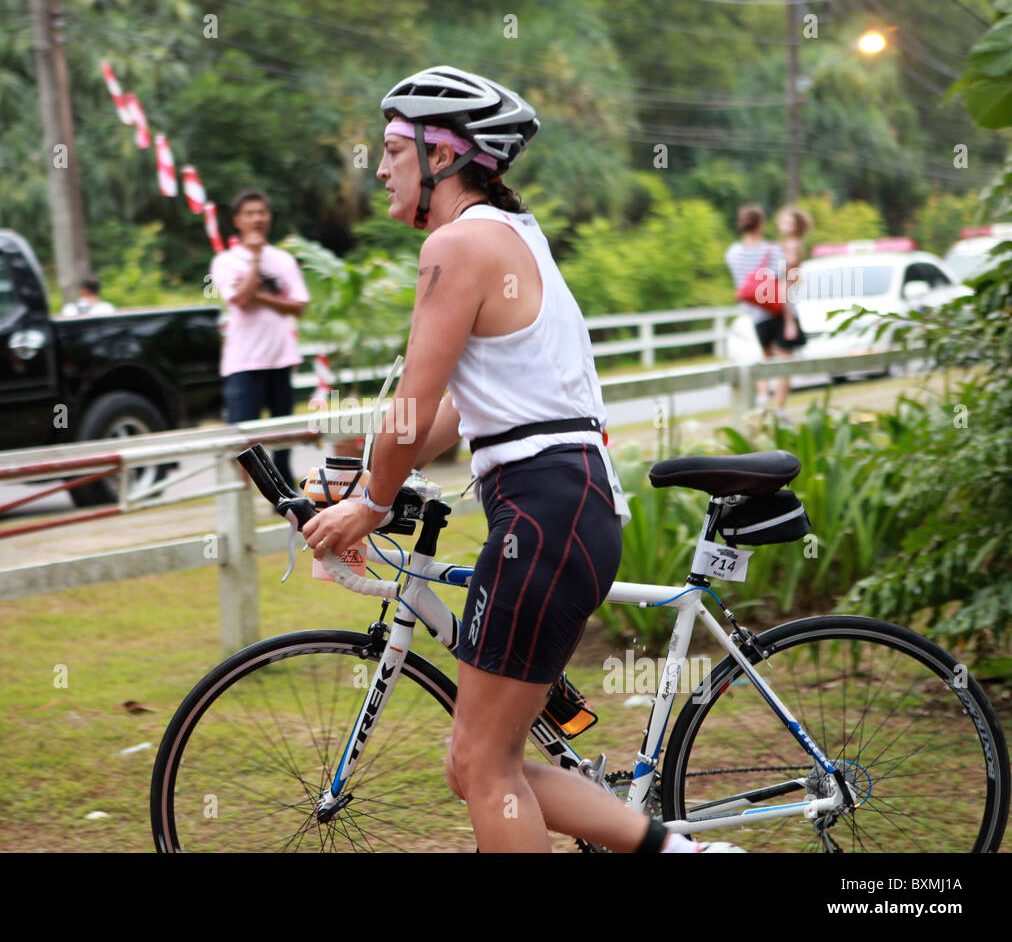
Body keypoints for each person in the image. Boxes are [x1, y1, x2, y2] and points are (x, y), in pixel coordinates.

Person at [302, 65, 740, 853]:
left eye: (394, 147)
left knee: (485, 766)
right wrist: (356, 472)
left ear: (444, 156)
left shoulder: (458, 243)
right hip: (565, 505)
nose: (378, 165)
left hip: (542, 510)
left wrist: (369, 501)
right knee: (479, 765)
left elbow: (408, 406)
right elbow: (449, 415)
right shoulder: (509, 238)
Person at [211, 189, 310, 488]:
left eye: (262, 212)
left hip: (281, 359)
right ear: (237, 220)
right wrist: (254, 260)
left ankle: (283, 495)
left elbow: (298, 306)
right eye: (250, 213)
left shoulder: (283, 260)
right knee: (243, 439)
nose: (257, 218)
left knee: (283, 437)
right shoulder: (226, 262)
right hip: (244, 363)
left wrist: (260, 296)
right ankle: (239, 495)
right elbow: (239, 299)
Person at [725, 205, 800, 415]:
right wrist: (790, 321)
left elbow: (740, 283)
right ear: (760, 224)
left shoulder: (732, 253)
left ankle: (762, 401)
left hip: (755, 314)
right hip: (776, 310)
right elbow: (780, 282)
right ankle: (780, 410)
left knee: (764, 357)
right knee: (784, 359)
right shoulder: (772, 250)